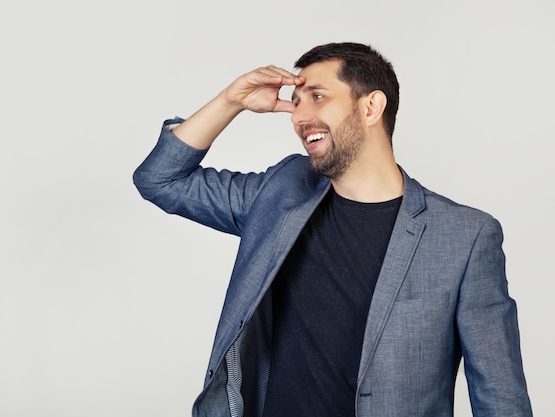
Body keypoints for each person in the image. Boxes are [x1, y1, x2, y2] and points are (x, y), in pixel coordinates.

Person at [133, 42, 532, 417]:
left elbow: (499, 394)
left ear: (371, 106)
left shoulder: (465, 236)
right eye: (296, 100)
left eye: (318, 97)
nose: (299, 116)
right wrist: (230, 101)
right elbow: (160, 180)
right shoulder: (282, 191)